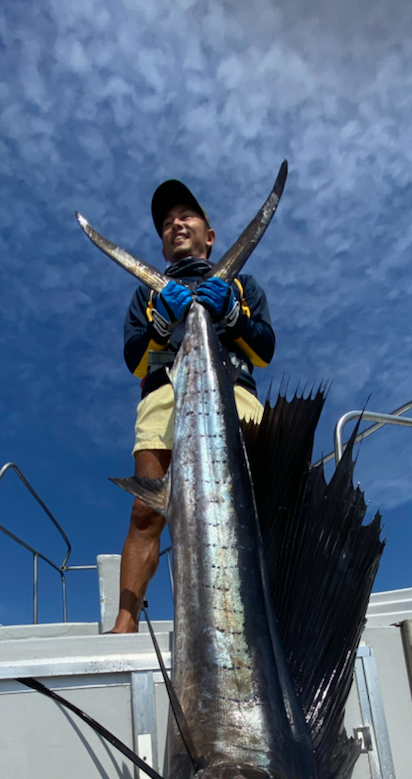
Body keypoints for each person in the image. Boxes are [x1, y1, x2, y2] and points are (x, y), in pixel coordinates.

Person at [108, 178, 275, 633]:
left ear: (211, 235)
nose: (175, 224)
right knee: (148, 509)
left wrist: (232, 314)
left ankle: (267, 615)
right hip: (164, 396)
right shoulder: (147, 294)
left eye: (186, 216)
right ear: (162, 247)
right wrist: (162, 320)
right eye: (166, 223)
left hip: (233, 392)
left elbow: (263, 351)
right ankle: (126, 621)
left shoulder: (240, 284)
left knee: (258, 510)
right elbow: (134, 359)